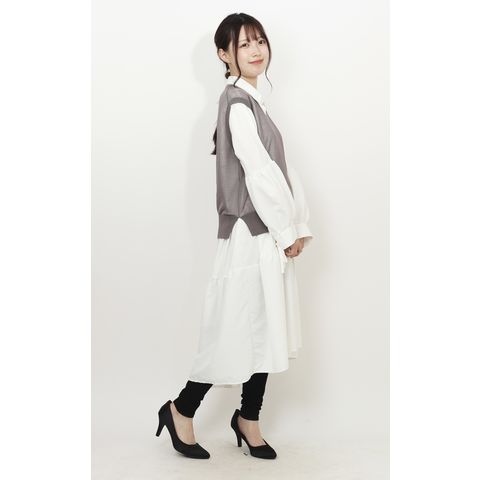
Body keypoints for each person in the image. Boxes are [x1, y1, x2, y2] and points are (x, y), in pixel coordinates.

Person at [156, 12, 313, 460]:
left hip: (264, 233)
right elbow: (260, 173)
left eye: (259, 40)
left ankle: (248, 418)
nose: (256, 50)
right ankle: (181, 409)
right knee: (233, 328)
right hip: (250, 233)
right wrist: (285, 228)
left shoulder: (254, 103)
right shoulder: (238, 104)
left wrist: (295, 225)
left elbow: (282, 171)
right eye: (244, 44)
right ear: (224, 55)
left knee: (263, 327)